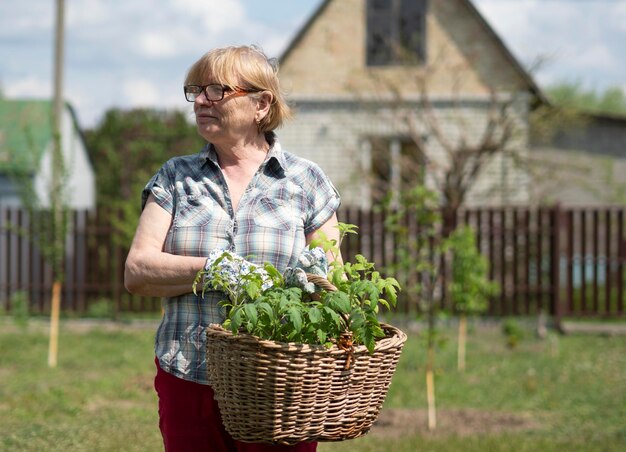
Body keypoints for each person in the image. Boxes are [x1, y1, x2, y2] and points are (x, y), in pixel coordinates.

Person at [124, 45, 341, 452]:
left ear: (261, 104)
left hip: (280, 383)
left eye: (217, 90)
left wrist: (313, 282)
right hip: (188, 371)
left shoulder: (306, 181)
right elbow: (138, 271)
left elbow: (334, 285)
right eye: (196, 90)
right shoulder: (176, 178)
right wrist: (216, 268)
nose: (202, 100)